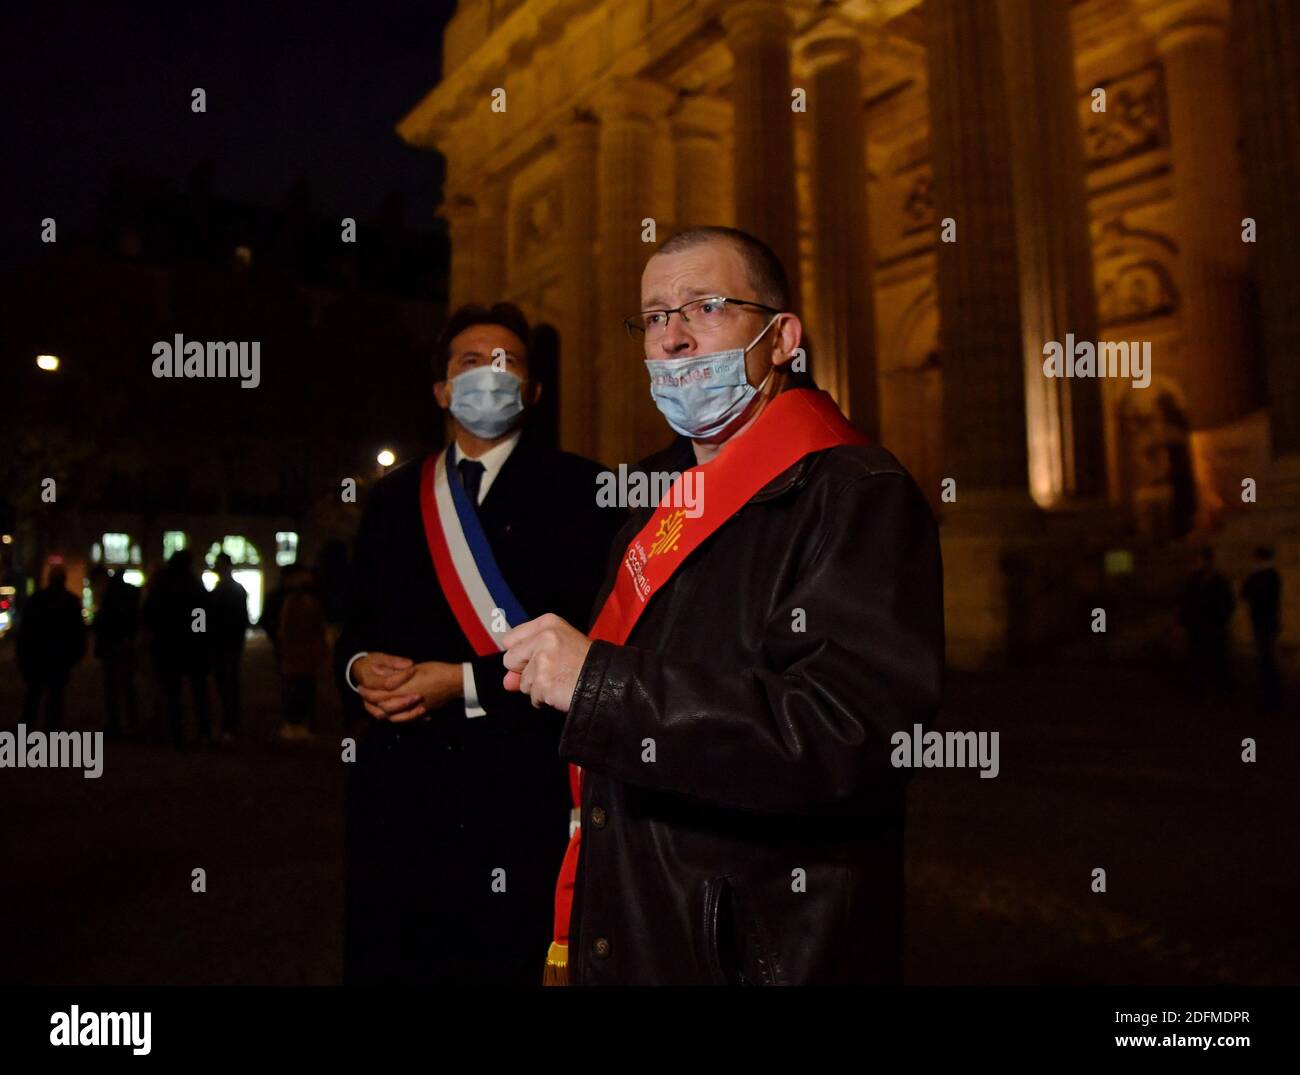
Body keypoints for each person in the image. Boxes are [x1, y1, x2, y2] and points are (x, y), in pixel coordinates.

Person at [500, 226, 945, 985]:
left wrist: (602, 686)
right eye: (653, 317)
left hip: (750, 949)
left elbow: (846, 735)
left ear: (781, 338)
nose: (672, 338)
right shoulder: (648, 498)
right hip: (637, 924)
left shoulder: (854, 493)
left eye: (705, 308)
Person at [336, 301, 626, 985]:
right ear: (440, 388)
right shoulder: (392, 497)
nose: (489, 376)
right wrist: (356, 668)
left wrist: (462, 682)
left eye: (508, 364)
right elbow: (352, 625)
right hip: (399, 794)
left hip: (518, 790)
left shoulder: (588, 491)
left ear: (533, 392)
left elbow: (592, 645)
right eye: (470, 362)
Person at [142, 549, 213, 749]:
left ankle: (176, 734)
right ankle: (204, 732)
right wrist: (198, 636)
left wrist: (160, 633)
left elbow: (149, 614)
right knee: (198, 691)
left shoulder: (161, 585)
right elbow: (201, 614)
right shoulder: (193, 585)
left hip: (167, 646)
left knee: (173, 694)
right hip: (191, 647)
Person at [16, 564, 87, 730]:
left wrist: (23, 657)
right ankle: (51, 732)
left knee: (33, 698)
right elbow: (77, 632)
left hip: (37, 657)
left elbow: (25, 632)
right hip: (59, 658)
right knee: (55, 699)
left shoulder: (36, 600)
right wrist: (75, 655)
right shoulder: (70, 602)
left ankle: (27, 733)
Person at [89, 564, 141, 737]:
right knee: (126, 686)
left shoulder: (111, 595)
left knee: (114, 687)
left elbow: (108, 622)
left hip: (113, 645)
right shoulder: (126, 592)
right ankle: (131, 722)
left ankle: (116, 723)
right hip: (123, 644)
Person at [277, 565, 326, 741]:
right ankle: (297, 723)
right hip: (300, 654)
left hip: (299, 654)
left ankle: (297, 723)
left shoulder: (299, 602)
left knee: (299, 689)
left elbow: (284, 630)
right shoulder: (303, 602)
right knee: (299, 689)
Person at [1179, 546, 1236, 697]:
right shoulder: (1192, 581)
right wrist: (1186, 621)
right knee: (1197, 659)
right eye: (1202, 560)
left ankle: (1218, 690)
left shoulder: (1220, 580)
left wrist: (1221, 619)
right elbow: (1186, 601)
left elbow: (1227, 602)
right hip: (1197, 626)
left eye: (1207, 560)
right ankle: (1197, 689)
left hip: (1214, 625)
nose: (1204, 563)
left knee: (1216, 659)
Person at [208, 553, 250, 742]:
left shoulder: (224, 590)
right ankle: (232, 721)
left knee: (226, 683)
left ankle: (230, 722)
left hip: (224, 644)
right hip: (229, 643)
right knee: (229, 683)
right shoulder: (235, 590)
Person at [1241, 546, 1282, 710]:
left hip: (1262, 622)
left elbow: (1247, 592)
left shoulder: (1264, 576)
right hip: (1268, 622)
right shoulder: (1272, 576)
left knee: (1266, 659)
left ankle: (1269, 694)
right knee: (1266, 657)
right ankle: (1270, 692)